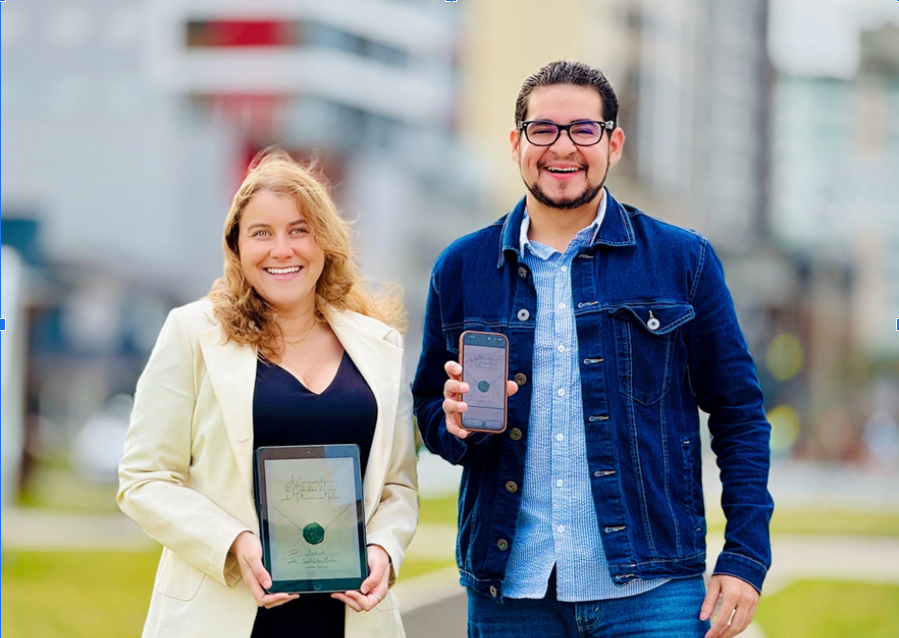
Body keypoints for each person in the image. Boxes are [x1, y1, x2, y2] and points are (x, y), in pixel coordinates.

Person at [412, 60, 773, 638]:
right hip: (513, 595)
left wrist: (745, 557)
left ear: (614, 142)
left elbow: (739, 416)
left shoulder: (684, 261)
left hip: (652, 593)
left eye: (584, 129)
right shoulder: (462, 267)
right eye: (543, 129)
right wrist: (452, 423)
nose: (563, 147)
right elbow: (429, 408)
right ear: (516, 142)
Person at [119, 150, 419, 638]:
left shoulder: (380, 346)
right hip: (223, 612)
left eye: (299, 229)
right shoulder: (193, 333)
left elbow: (398, 489)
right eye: (262, 232)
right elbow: (143, 478)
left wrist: (384, 548)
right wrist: (233, 541)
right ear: (237, 247)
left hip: (350, 618)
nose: (282, 249)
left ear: (325, 242)